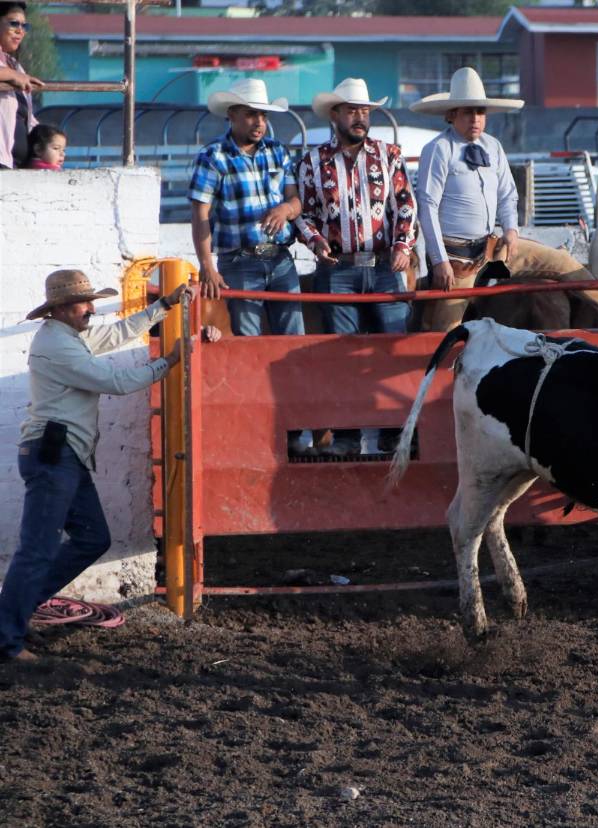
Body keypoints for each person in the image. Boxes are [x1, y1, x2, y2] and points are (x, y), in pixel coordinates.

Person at [0, 271, 195, 662]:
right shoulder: (59, 345)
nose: (91, 308)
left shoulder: (64, 337)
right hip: (57, 454)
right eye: (83, 303)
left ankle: (13, 616)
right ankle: (6, 637)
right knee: (39, 549)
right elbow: (115, 380)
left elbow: (114, 336)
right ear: (59, 309)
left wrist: (164, 306)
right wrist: (168, 363)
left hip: (61, 453)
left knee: (90, 539)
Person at [410, 67, 598, 332]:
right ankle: (437, 367)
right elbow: (427, 207)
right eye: (468, 112)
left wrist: (511, 229)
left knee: (564, 264)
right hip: (457, 259)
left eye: (480, 112)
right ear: (451, 115)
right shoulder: (438, 149)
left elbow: (507, 194)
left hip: (493, 247)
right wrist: (440, 260)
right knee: (444, 329)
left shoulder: (493, 146)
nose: (475, 119)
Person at [295, 78, 416, 457]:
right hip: (339, 267)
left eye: (365, 111)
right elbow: (304, 214)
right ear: (336, 115)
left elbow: (406, 205)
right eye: (353, 111)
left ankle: (394, 432)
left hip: (383, 265)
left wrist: (402, 245)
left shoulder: (390, 153)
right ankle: (346, 436)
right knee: (341, 353)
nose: (360, 118)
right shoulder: (313, 162)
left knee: (393, 351)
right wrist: (316, 242)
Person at [190, 78, 310, 456]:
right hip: (238, 262)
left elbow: (295, 202)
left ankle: (296, 429)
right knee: (249, 348)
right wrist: (206, 265)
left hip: (279, 259)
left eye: (262, 115)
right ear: (233, 116)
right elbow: (200, 215)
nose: (259, 122)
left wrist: (284, 210)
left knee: (293, 346)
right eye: (251, 115)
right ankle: (258, 430)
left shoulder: (277, 151)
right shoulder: (213, 157)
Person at [0, 0, 42, 170]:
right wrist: (11, 75)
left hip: (15, 165)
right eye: (13, 23)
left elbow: (27, 117)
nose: (20, 31)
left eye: (24, 26)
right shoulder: (13, 71)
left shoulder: (15, 65)